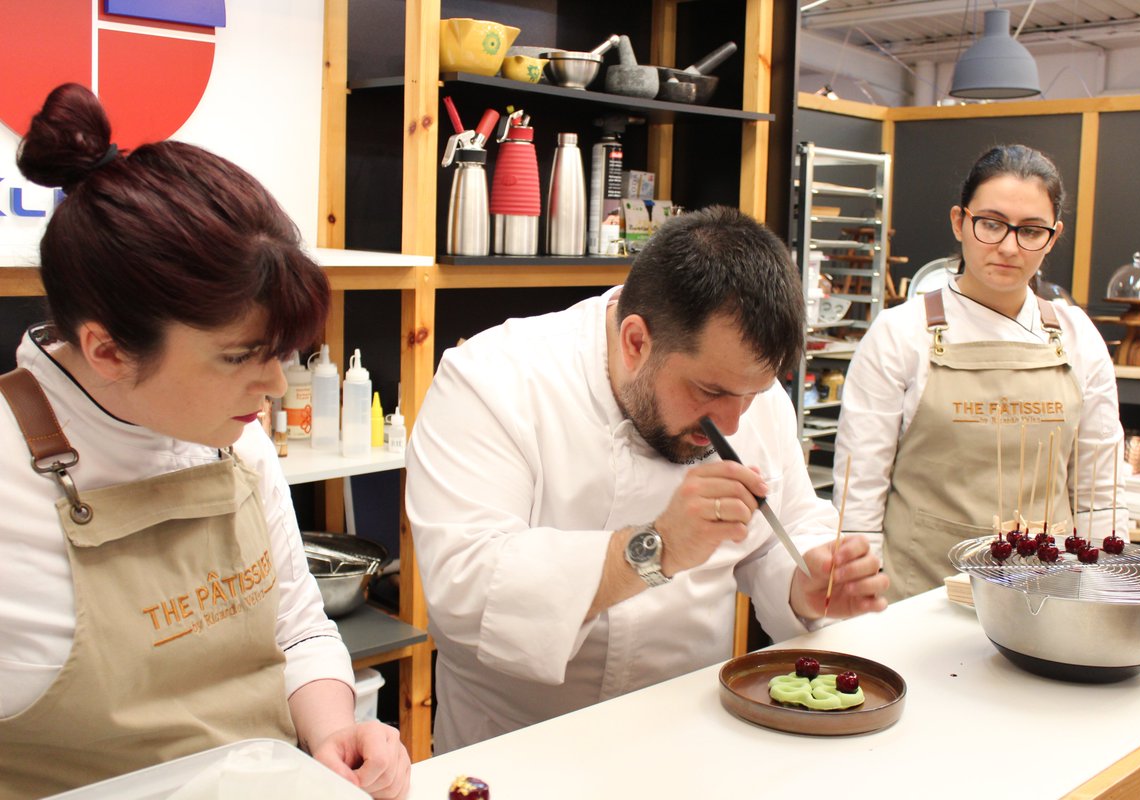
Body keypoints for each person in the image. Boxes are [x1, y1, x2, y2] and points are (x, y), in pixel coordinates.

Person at [0, 83, 410, 799]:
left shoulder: (234, 438)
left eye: (281, 352)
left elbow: (295, 621)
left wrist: (332, 729)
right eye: (239, 356)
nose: (277, 388)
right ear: (106, 351)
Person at [406, 205, 889, 752]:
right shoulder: (494, 381)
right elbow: (466, 587)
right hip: (518, 745)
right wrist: (654, 549)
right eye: (709, 393)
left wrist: (806, 579)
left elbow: (786, 527)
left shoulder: (741, 383)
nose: (730, 424)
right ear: (636, 341)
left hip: (687, 736)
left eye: (752, 396)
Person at [833, 144, 1126, 601]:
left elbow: (1101, 492)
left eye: (1030, 231)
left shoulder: (1076, 336)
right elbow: (859, 497)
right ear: (959, 222)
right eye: (991, 224)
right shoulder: (898, 335)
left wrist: (1107, 595)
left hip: (1048, 599)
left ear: (1052, 237)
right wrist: (858, 607)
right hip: (918, 600)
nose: (1008, 247)